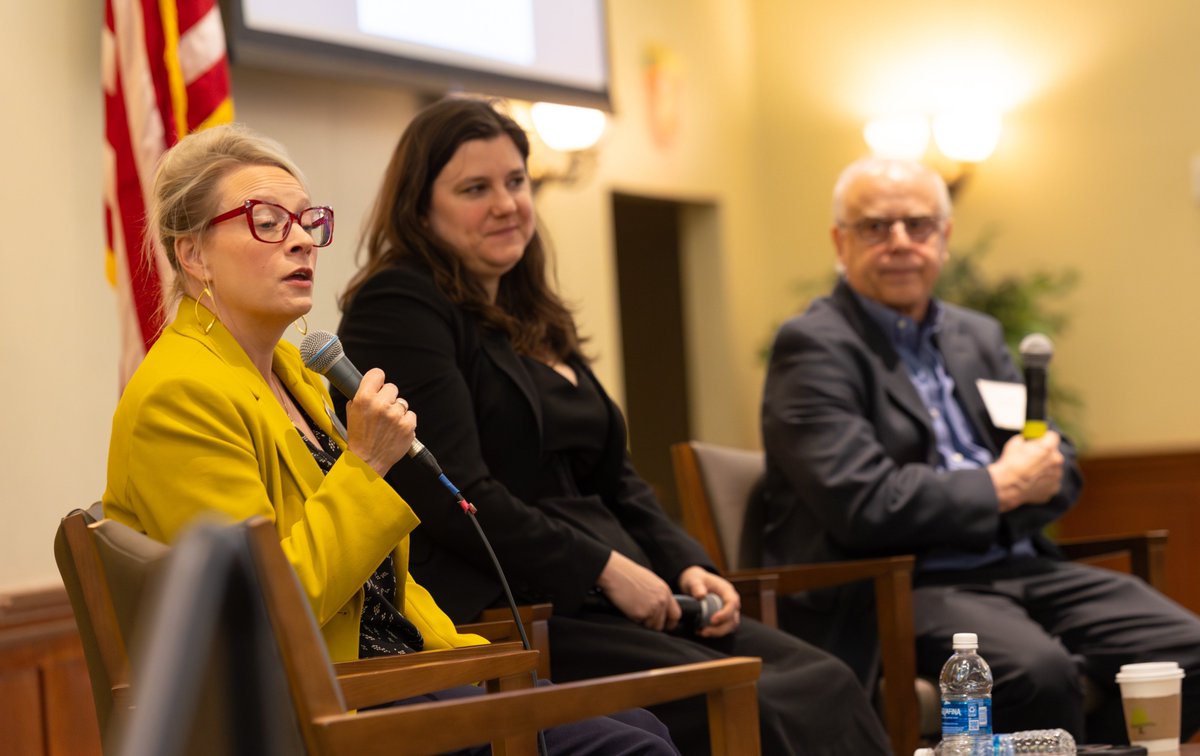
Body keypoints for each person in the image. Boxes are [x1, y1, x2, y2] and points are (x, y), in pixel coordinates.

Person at [335, 97, 893, 756]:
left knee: (826, 679)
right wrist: (605, 569)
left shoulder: (528, 311)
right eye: (474, 189)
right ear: (420, 210)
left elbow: (616, 477)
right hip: (526, 606)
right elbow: (457, 493)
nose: (507, 203)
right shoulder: (398, 305)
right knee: (759, 703)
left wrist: (687, 563)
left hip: (621, 585)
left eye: (516, 182)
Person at [101, 123, 679, 756]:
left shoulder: (296, 375)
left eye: (306, 221)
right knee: (632, 750)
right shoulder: (181, 395)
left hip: (391, 677)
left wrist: (475, 661)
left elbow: (385, 586)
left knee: (642, 728)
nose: (301, 241)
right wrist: (365, 463)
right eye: (267, 222)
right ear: (193, 255)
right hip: (318, 708)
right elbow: (261, 612)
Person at [759, 156, 1200, 743]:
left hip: (1017, 565)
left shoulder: (976, 336)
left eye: (918, 225)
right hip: (903, 583)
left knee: (1186, 651)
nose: (899, 242)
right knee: (1034, 673)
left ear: (944, 238)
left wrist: (1037, 473)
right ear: (840, 242)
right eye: (875, 227)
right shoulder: (813, 347)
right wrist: (1001, 486)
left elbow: (1050, 457)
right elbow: (863, 503)